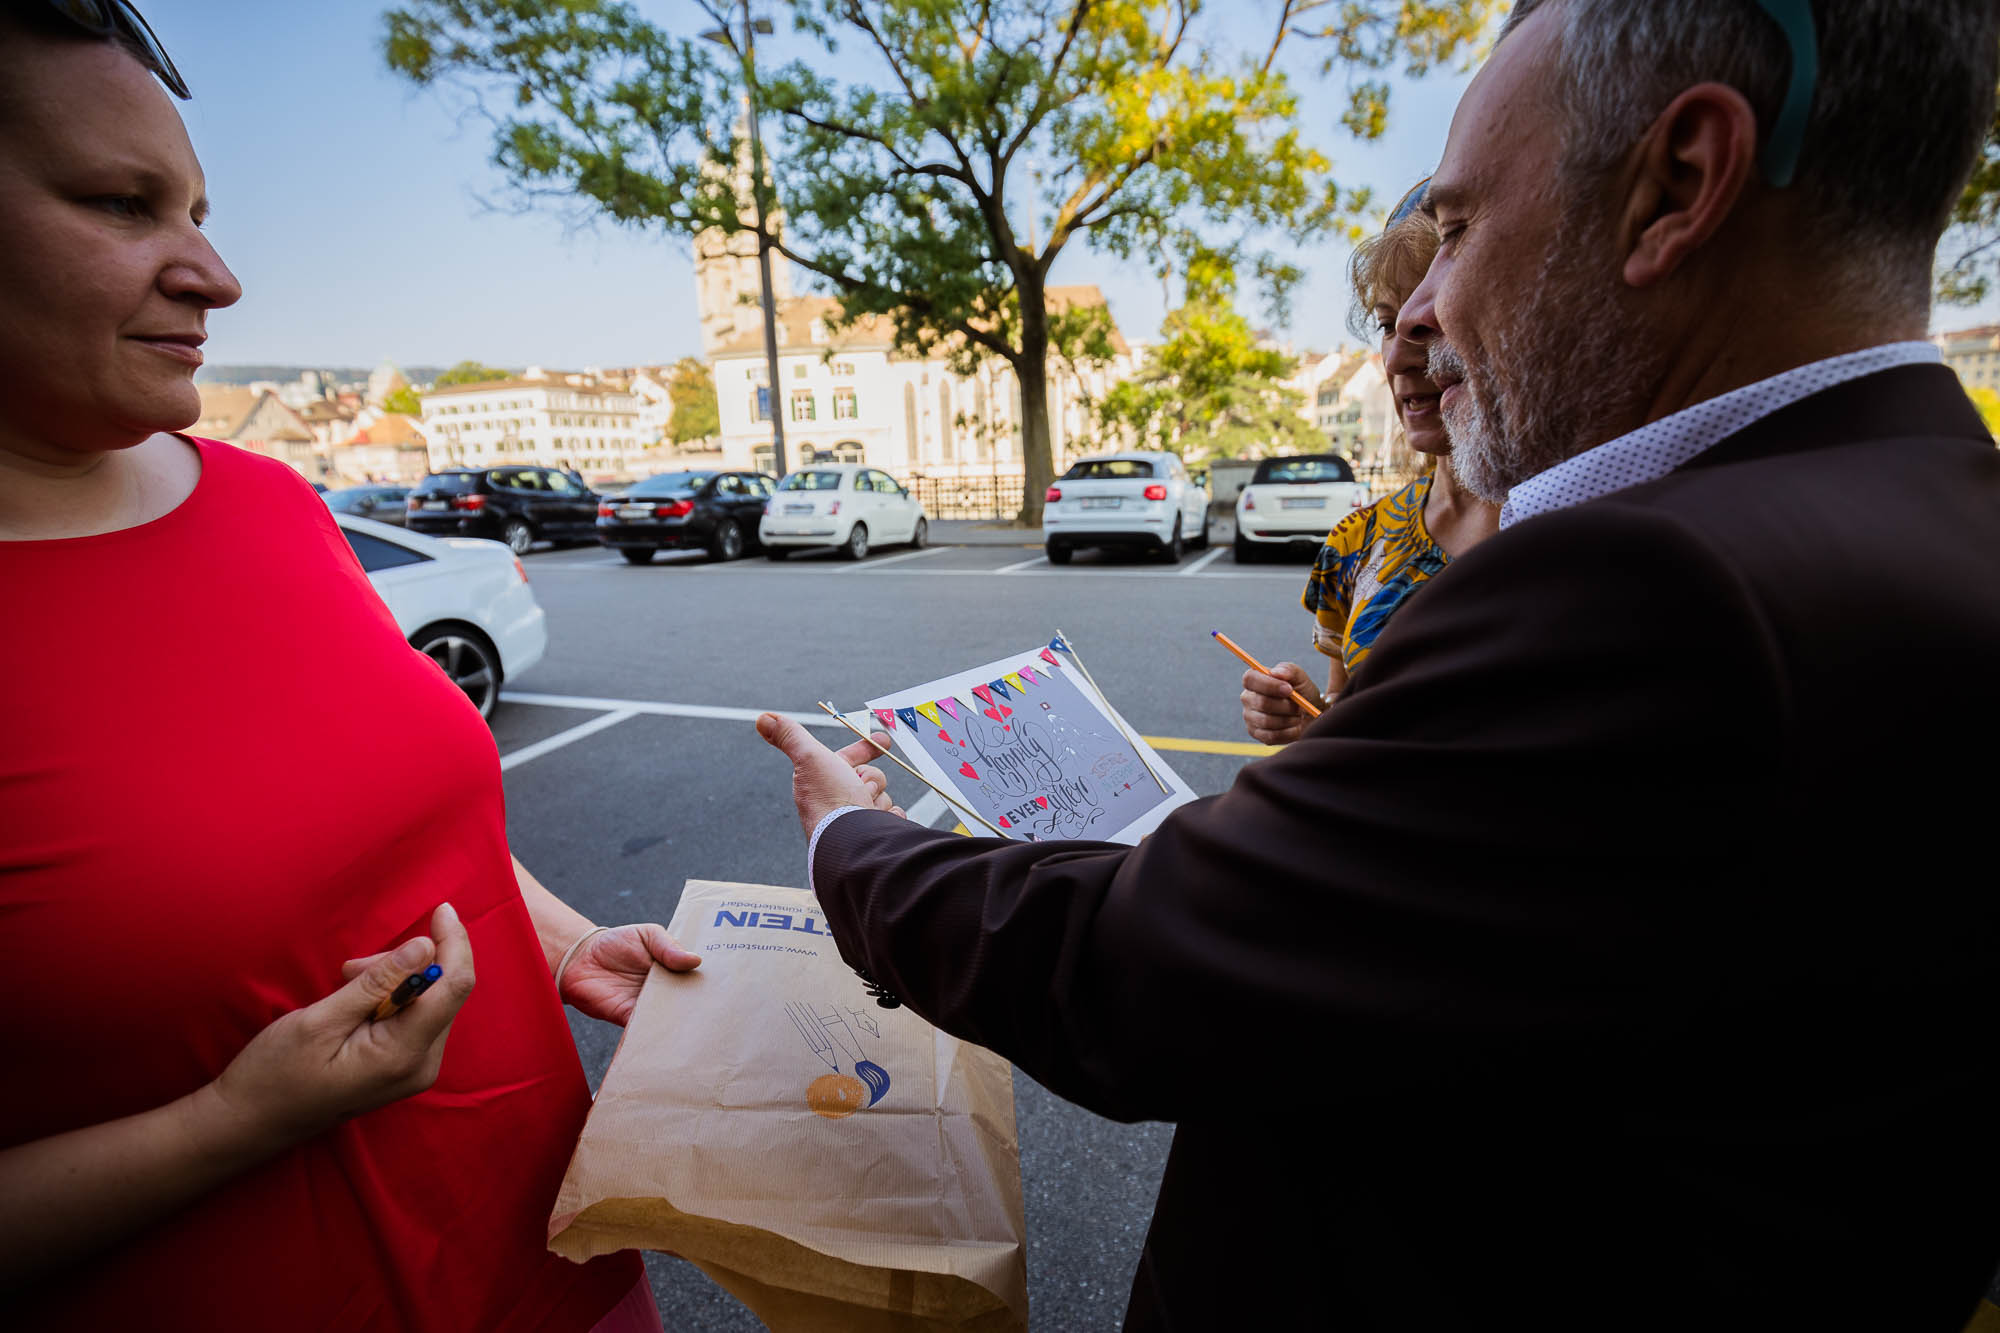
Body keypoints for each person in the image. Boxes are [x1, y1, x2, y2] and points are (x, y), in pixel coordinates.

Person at [757, 0, 2000, 1327]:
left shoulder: (1649, 583)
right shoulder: (1943, 506)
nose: (1423, 309)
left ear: (1678, 186)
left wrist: (853, 843)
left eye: (1454, 231)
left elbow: (1141, 973)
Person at [0, 8, 885, 1328]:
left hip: (547, 1255)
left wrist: (568, 946)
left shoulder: (272, 504)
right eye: (123, 205)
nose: (218, 277)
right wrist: (226, 1124)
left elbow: (407, 826)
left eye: (197, 210)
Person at [1242, 181, 1499, 744]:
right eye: (1386, 323)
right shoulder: (1357, 543)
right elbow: (1345, 711)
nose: (1400, 355)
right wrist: (1310, 718)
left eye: (1434, 316)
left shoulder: (1571, 522)